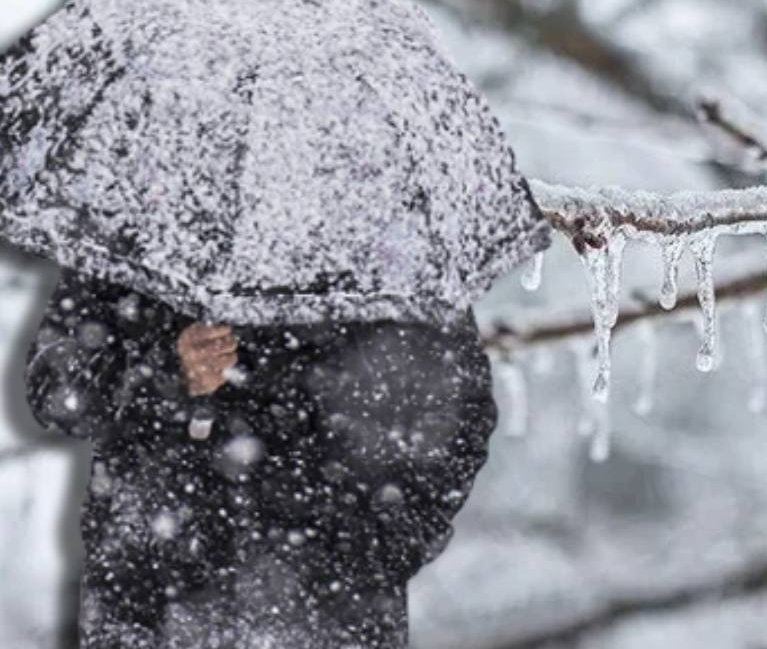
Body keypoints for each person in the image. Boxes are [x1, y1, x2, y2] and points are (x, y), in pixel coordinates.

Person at [24, 269, 498, 648]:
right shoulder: (145, 213)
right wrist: (166, 372)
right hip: (151, 599)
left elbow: (459, 412)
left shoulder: (386, 237)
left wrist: (381, 549)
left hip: (330, 608)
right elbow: (58, 390)